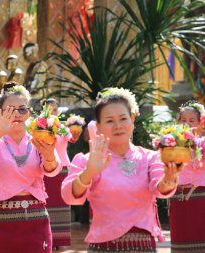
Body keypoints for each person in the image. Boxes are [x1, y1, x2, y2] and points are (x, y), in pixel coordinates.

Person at [61, 88, 182, 252]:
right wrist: (89, 172)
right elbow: (70, 196)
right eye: (110, 121)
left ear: (132, 120)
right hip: (103, 248)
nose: (118, 126)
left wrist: (170, 177)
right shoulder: (87, 160)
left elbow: (160, 189)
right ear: (99, 126)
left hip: (143, 247)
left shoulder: (150, 158)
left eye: (123, 118)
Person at [0, 83, 62, 253]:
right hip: (2, 221)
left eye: (22, 109)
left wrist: (49, 154)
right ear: (0, 113)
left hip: (36, 219)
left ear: (29, 112)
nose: (17, 115)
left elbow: (53, 169)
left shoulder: (38, 138)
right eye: (11, 110)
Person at [42, 98, 80, 248]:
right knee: (46, 205)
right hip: (45, 169)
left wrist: (75, 132)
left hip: (63, 169)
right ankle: (47, 240)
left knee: (62, 205)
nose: (52, 112)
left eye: (55, 109)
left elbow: (71, 138)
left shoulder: (61, 127)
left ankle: (61, 241)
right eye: (49, 109)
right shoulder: (38, 128)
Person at [169, 100, 205, 252]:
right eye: (184, 120)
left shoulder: (202, 143)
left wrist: (192, 143)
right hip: (178, 197)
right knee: (180, 242)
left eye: (192, 121)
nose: (187, 124)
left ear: (200, 122)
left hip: (200, 197)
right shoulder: (172, 141)